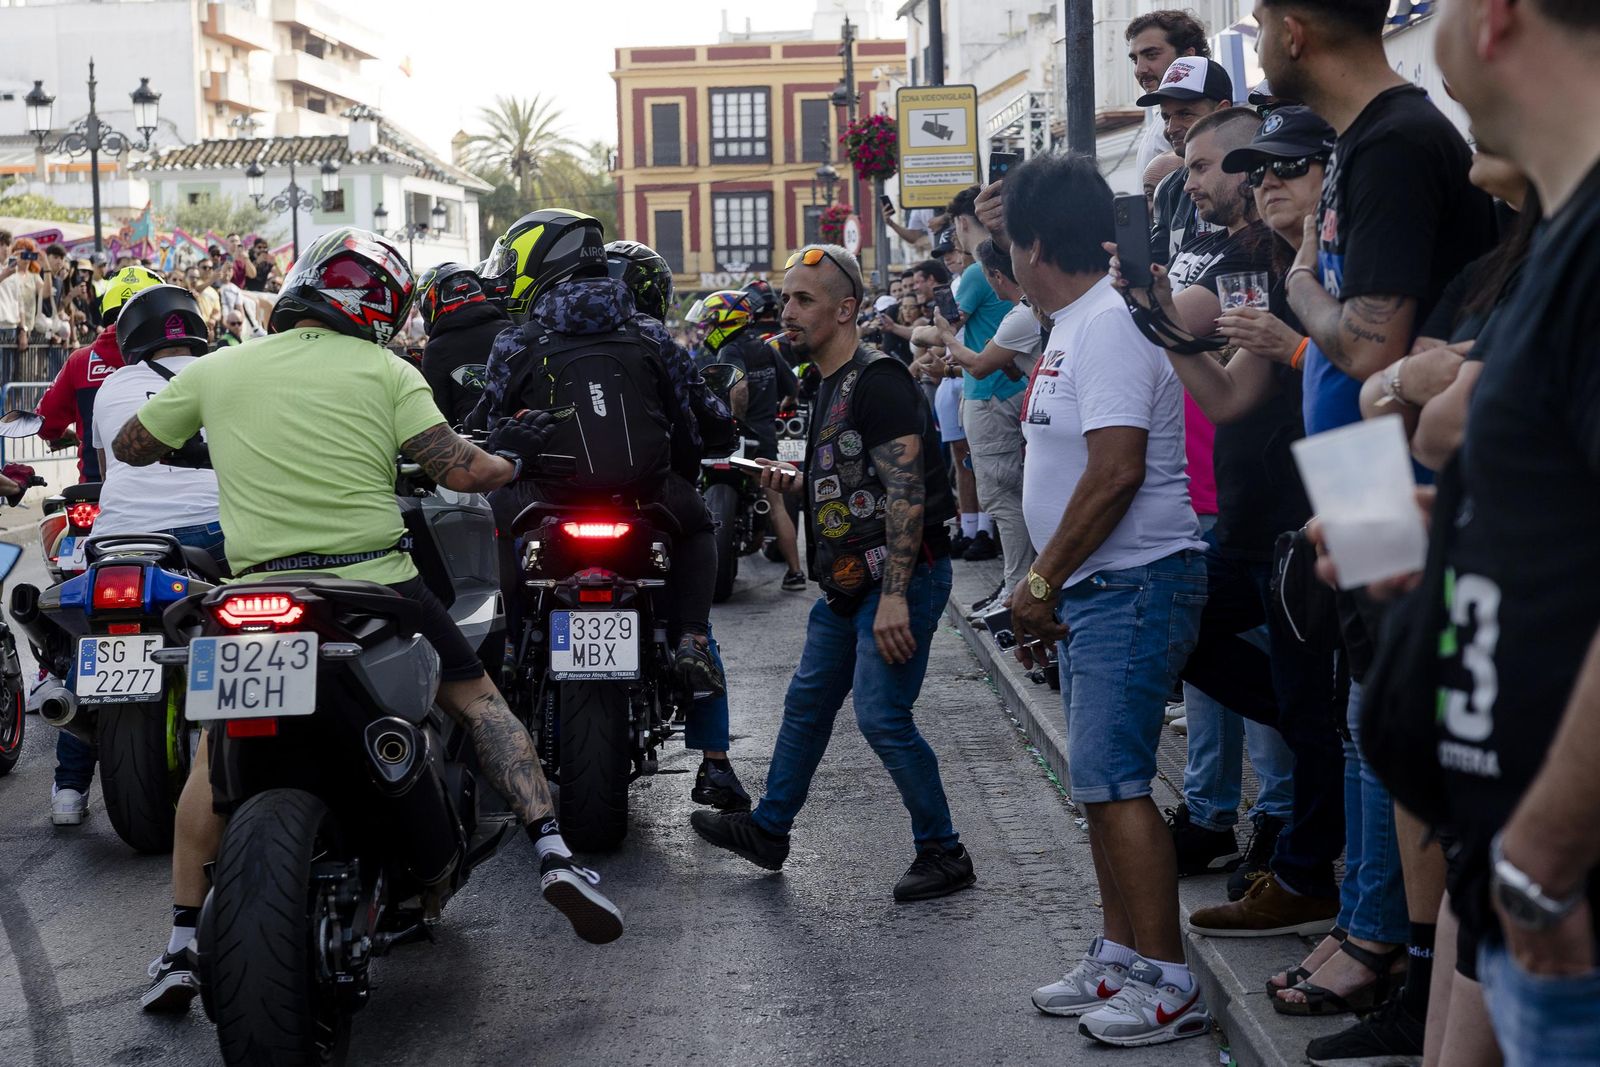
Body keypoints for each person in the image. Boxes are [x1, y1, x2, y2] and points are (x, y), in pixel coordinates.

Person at [117, 227, 625, 1012]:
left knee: (212, 758)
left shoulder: (221, 367)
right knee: (479, 697)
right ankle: (552, 850)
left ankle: (181, 941)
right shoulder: (388, 370)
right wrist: (513, 460)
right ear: (384, 309)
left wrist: (214, 439)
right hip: (375, 587)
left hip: (250, 597)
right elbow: (460, 468)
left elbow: (134, 442)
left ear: (300, 285)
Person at [1241, 1, 1499, 1061]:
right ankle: (1381, 938)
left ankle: (1404, 957)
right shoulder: (1365, 144)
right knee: (1372, 717)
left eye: (1257, 18)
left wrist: (1298, 279)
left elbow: (1367, 341)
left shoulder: (1395, 142)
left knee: (1393, 721)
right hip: (1358, 470)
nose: (1253, 38)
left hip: (1395, 473)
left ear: (1296, 29)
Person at [978, 152, 1209, 1046]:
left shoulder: (1106, 325)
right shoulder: (1070, 321)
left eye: (1009, 245)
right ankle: (1122, 954)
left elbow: (1117, 470)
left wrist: (1039, 580)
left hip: (1133, 580)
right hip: (1094, 585)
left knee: (1117, 785)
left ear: (1035, 245)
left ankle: (1170, 978)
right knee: (1098, 783)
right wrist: (1046, 583)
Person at [690, 242, 972, 903]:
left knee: (881, 714)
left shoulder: (880, 381)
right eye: (786, 298)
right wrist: (797, 480)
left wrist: (896, 598)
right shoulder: (825, 381)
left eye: (803, 300)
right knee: (808, 703)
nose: (787, 311)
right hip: (846, 585)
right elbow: (859, 473)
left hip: (896, 579)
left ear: (846, 309)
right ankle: (769, 828)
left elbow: (906, 493)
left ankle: (944, 849)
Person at [473, 208, 724, 694]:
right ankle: (692, 638)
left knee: (492, 524)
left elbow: (488, 422)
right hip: (644, 496)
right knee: (698, 526)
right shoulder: (651, 334)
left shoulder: (515, 342)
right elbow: (691, 416)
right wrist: (684, 474)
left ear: (539, 263)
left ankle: (505, 643)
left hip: (541, 498)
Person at [610, 241, 752, 812]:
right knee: (696, 603)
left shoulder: (534, 336)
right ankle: (715, 764)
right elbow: (705, 417)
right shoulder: (657, 342)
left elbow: (489, 421)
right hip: (654, 499)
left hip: (556, 502)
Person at [912, 237, 1039, 609]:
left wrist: (947, 336)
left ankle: (1017, 589)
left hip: (991, 399)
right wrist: (950, 368)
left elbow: (984, 363)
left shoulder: (1020, 315)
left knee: (1003, 499)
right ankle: (1018, 585)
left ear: (998, 276)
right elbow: (1009, 366)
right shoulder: (1025, 313)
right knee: (1006, 497)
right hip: (1003, 397)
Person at [89, 285, 226, 568]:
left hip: (120, 534)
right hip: (213, 524)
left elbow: (107, 470)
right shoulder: (223, 370)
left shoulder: (111, 384)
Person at [686, 289, 804, 591]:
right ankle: (795, 572)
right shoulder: (765, 349)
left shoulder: (728, 351)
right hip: (763, 438)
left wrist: (734, 423)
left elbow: (738, 390)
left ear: (726, 321)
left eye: (710, 323)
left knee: (694, 486)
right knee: (775, 503)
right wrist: (777, 407)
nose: (707, 329)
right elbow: (792, 388)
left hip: (735, 438)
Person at [1140, 56, 1235, 265]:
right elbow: (1157, 266)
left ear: (1222, 111)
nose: (1171, 128)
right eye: (1166, 117)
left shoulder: (1252, 179)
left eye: (1185, 114)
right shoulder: (1168, 189)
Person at [416, 262, 509, 427]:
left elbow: (441, 419)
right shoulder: (511, 331)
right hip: (529, 436)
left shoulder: (437, 350)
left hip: (474, 445)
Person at [1126, 9, 1214, 183]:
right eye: (1135, 60)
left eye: (1151, 55)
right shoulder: (1159, 121)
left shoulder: (1204, 119)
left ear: (1188, 56)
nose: (1139, 69)